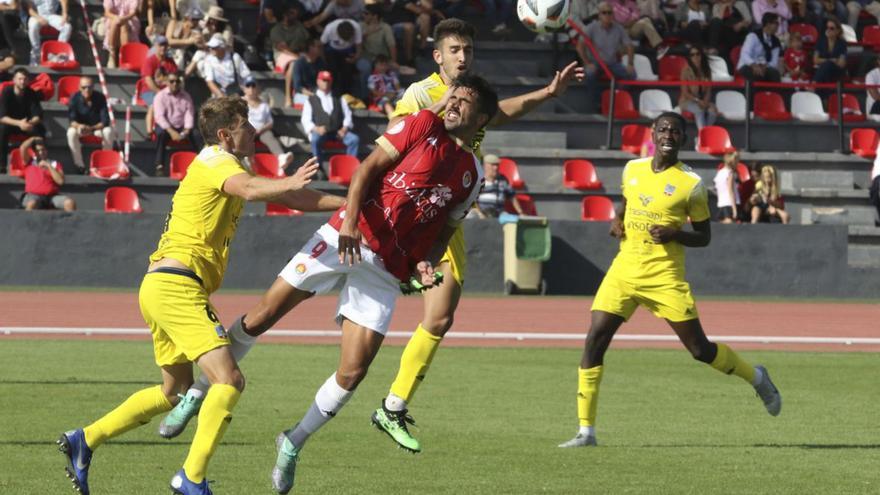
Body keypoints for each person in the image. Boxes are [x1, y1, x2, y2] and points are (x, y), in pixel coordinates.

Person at [155, 18, 584, 458]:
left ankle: (304, 437)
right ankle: (200, 390)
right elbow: (375, 165)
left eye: (468, 50)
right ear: (438, 56)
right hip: (358, 228)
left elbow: (489, 132)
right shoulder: (421, 104)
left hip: (396, 252)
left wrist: (423, 259)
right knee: (264, 314)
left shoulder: (472, 168)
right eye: (455, 50)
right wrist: (348, 219)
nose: (462, 59)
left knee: (389, 347)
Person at [57, 95, 345, 495]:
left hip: (163, 285)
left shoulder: (229, 164)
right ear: (226, 134)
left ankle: (84, 439)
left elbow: (292, 197)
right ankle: (190, 479)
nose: (253, 130)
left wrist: (349, 206)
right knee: (229, 380)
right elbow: (250, 188)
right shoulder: (215, 161)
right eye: (245, 124)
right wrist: (289, 181)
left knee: (171, 392)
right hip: (177, 286)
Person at [558, 112, 782, 449]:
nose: (668, 135)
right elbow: (626, 204)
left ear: (684, 138)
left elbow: (704, 237)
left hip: (665, 276)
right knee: (594, 340)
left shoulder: (690, 184)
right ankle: (586, 431)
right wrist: (618, 221)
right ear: (652, 133)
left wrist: (675, 233)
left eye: (675, 131)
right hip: (624, 270)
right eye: (663, 129)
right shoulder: (632, 169)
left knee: (700, 350)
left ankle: (757, 377)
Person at [578, 2, 635, 113]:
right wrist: (587, 62)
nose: (607, 15)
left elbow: (630, 45)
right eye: (604, 13)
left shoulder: (619, 28)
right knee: (589, 73)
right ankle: (598, 103)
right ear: (599, 15)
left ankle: (614, 96)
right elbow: (580, 46)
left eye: (610, 13)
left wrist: (630, 63)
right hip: (596, 62)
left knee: (631, 74)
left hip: (612, 63)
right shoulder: (591, 27)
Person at [301, 70, 360, 177]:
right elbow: (305, 119)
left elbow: (347, 115)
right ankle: (318, 168)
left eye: (328, 80)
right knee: (315, 139)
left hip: (337, 132)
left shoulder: (339, 98)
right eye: (323, 80)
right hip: (321, 132)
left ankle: (350, 168)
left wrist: (344, 128)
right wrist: (316, 128)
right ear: (318, 81)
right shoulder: (310, 99)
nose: (326, 83)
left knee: (353, 139)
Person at [153, 72, 202, 176]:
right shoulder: (160, 96)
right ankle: (159, 165)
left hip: (182, 127)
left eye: (177, 81)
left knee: (197, 135)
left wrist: (186, 130)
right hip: (166, 127)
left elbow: (189, 114)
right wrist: (171, 132)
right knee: (160, 133)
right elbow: (160, 117)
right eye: (172, 81)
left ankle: (202, 162)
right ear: (167, 82)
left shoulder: (186, 96)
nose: (175, 83)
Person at [0, 68, 45, 174]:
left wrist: (30, 123)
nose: (22, 82)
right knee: (1, 130)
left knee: (39, 130)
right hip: (12, 124)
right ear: (14, 80)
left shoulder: (31, 93)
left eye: (25, 79)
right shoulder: (7, 92)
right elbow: (2, 117)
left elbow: (37, 115)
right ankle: (2, 165)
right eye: (20, 79)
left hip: (27, 125)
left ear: (28, 81)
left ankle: (40, 162)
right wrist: (19, 123)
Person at [66, 76, 115, 173]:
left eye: (89, 87)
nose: (87, 90)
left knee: (108, 131)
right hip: (81, 128)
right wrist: (79, 126)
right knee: (71, 133)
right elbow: (72, 120)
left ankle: (105, 163)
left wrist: (92, 128)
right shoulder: (74, 98)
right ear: (79, 87)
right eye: (84, 87)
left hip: (96, 129)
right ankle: (79, 165)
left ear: (93, 87)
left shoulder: (100, 97)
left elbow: (105, 121)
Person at [245, 78, 293, 168]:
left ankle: (281, 157)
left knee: (268, 134)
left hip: (262, 131)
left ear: (257, 89)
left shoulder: (264, 105)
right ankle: (247, 159)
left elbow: (270, 122)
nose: (251, 89)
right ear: (245, 89)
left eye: (253, 86)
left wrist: (261, 129)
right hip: (247, 130)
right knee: (244, 135)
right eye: (248, 86)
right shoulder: (241, 102)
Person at [19, 136, 75, 211]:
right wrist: (33, 139)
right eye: (38, 150)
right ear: (34, 152)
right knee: (32, 204)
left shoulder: (55, 163)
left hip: (52, 197)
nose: (41, 152)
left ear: (46, 150)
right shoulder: (30, 161)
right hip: (33, 195)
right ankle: (27, 222)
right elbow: (23, 147)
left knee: (70, 203)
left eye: (43, 150)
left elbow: (60, 181)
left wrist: (48, 166)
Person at [471, 153, 523, 217]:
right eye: (493, 165)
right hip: (480, 213)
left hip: (499, 213)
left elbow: (512, 196)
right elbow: (472, 201)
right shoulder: (478, 180)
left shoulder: (503, 180)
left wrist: (520, 213)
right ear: (485, 165)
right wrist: (480, 214)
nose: (496, 168)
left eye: (497, 165)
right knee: (470, 215)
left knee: (510, 219)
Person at [321, 18, 363, 96]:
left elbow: (358, 45)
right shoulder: (329, 29)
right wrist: (324, 60)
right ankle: (333, 94)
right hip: (332, 50)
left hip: (348, 50)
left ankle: (347, 94)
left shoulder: (357, 28)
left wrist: (355, 58)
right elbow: (321, 45)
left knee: (347, 73)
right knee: (332, 71)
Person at [736, 13, 782, 82]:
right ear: (768, 24)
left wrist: (765, 66)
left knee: (775, 74)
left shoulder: (776, 41)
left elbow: (774, 62)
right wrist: (754, 65)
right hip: (747, 65)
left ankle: (773, 93)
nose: (778, 26)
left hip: (764, 67)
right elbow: (744, 54)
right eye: (776, 23)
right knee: (757, 75)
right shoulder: (753, 36)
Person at [678, 45, 716, 130]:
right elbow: (685, 92)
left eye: (697, 54)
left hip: (702, 100)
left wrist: (705, 102)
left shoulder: (706, 70)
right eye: (692, 55)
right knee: (699, 110)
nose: (695, 57)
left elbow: (708, 90)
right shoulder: (685, 70)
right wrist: (698, 101)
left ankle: (701, 137)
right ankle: (703, 138)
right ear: (690, 57)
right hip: (687, 101)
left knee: (712, 111)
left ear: (701, 55)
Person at [203, 33, 252, 97]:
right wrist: (220, 95)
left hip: (237, 94)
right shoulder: (208, 60)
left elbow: (247, 76)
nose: (211, 49)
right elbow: (209, 81)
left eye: (214, 47)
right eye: (210, 47)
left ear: (222, 47)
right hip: (219, 96)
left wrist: (249, 90)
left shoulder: (235, 57)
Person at [27, 0, 72, 66]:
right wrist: (39, 18)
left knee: (67, 27)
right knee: (33, 27)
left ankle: (58, 53)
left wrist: (64, 13)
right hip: (37, 15)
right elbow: (30, 9)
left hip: (51, 15)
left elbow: (63, 1)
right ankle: (36, 54)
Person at [286, 37, 326, 107]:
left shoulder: (321, 63)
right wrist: (313, 95)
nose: (321, 49)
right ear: (310, 48)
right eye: (319, 47)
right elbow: (298, 87)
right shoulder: (299, 63)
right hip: (302, 94)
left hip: (317, 93)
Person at [270, 3, 310, 73]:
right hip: (283, 55)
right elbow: (283, 49)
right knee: (294, 64)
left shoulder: (299, 26)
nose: (295, 15)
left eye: (296, 13)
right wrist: (297, 57)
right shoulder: (276, 30)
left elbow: (307, 40)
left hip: (299, 52)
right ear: (285, 15)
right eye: (292, 13)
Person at [103, 0, 143, 69]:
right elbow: (107, 13)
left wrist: (124, 18)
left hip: (129, 20)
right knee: (115, 22)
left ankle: (124, 56)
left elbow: (133, 13)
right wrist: (116, 18)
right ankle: (112, 55)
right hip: (112, 19)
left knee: (124, 25)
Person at [141, 35, 179, 105]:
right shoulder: (150, 61)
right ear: (155, 46)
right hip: (150, 92)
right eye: (160, 45)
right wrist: (160, 93)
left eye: (165, 45)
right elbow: (148, 80)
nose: (163, 48)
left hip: (167, 92)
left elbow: (175, 78)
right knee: (157, 104)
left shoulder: (171, 62)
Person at [813, 18, 848, 89]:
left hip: (836, 71)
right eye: (827, 27)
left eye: (831, 28)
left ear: (837, 31)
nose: (828, 30)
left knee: (827, 65)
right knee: (827, 65)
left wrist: (825, 61)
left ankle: (813, 85)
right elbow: (815, 60)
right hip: (822, 71)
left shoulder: (842, 43)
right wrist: (832, 60)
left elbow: (841, 64)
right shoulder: (820, 41)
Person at [714, 149, 741, 223]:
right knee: (729, 222)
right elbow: (730, 191)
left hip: (721, 203)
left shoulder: (720, 173)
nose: (738, 163)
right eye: (737, 161)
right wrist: (734, 209)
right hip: (729, 203)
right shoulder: (730, 173)